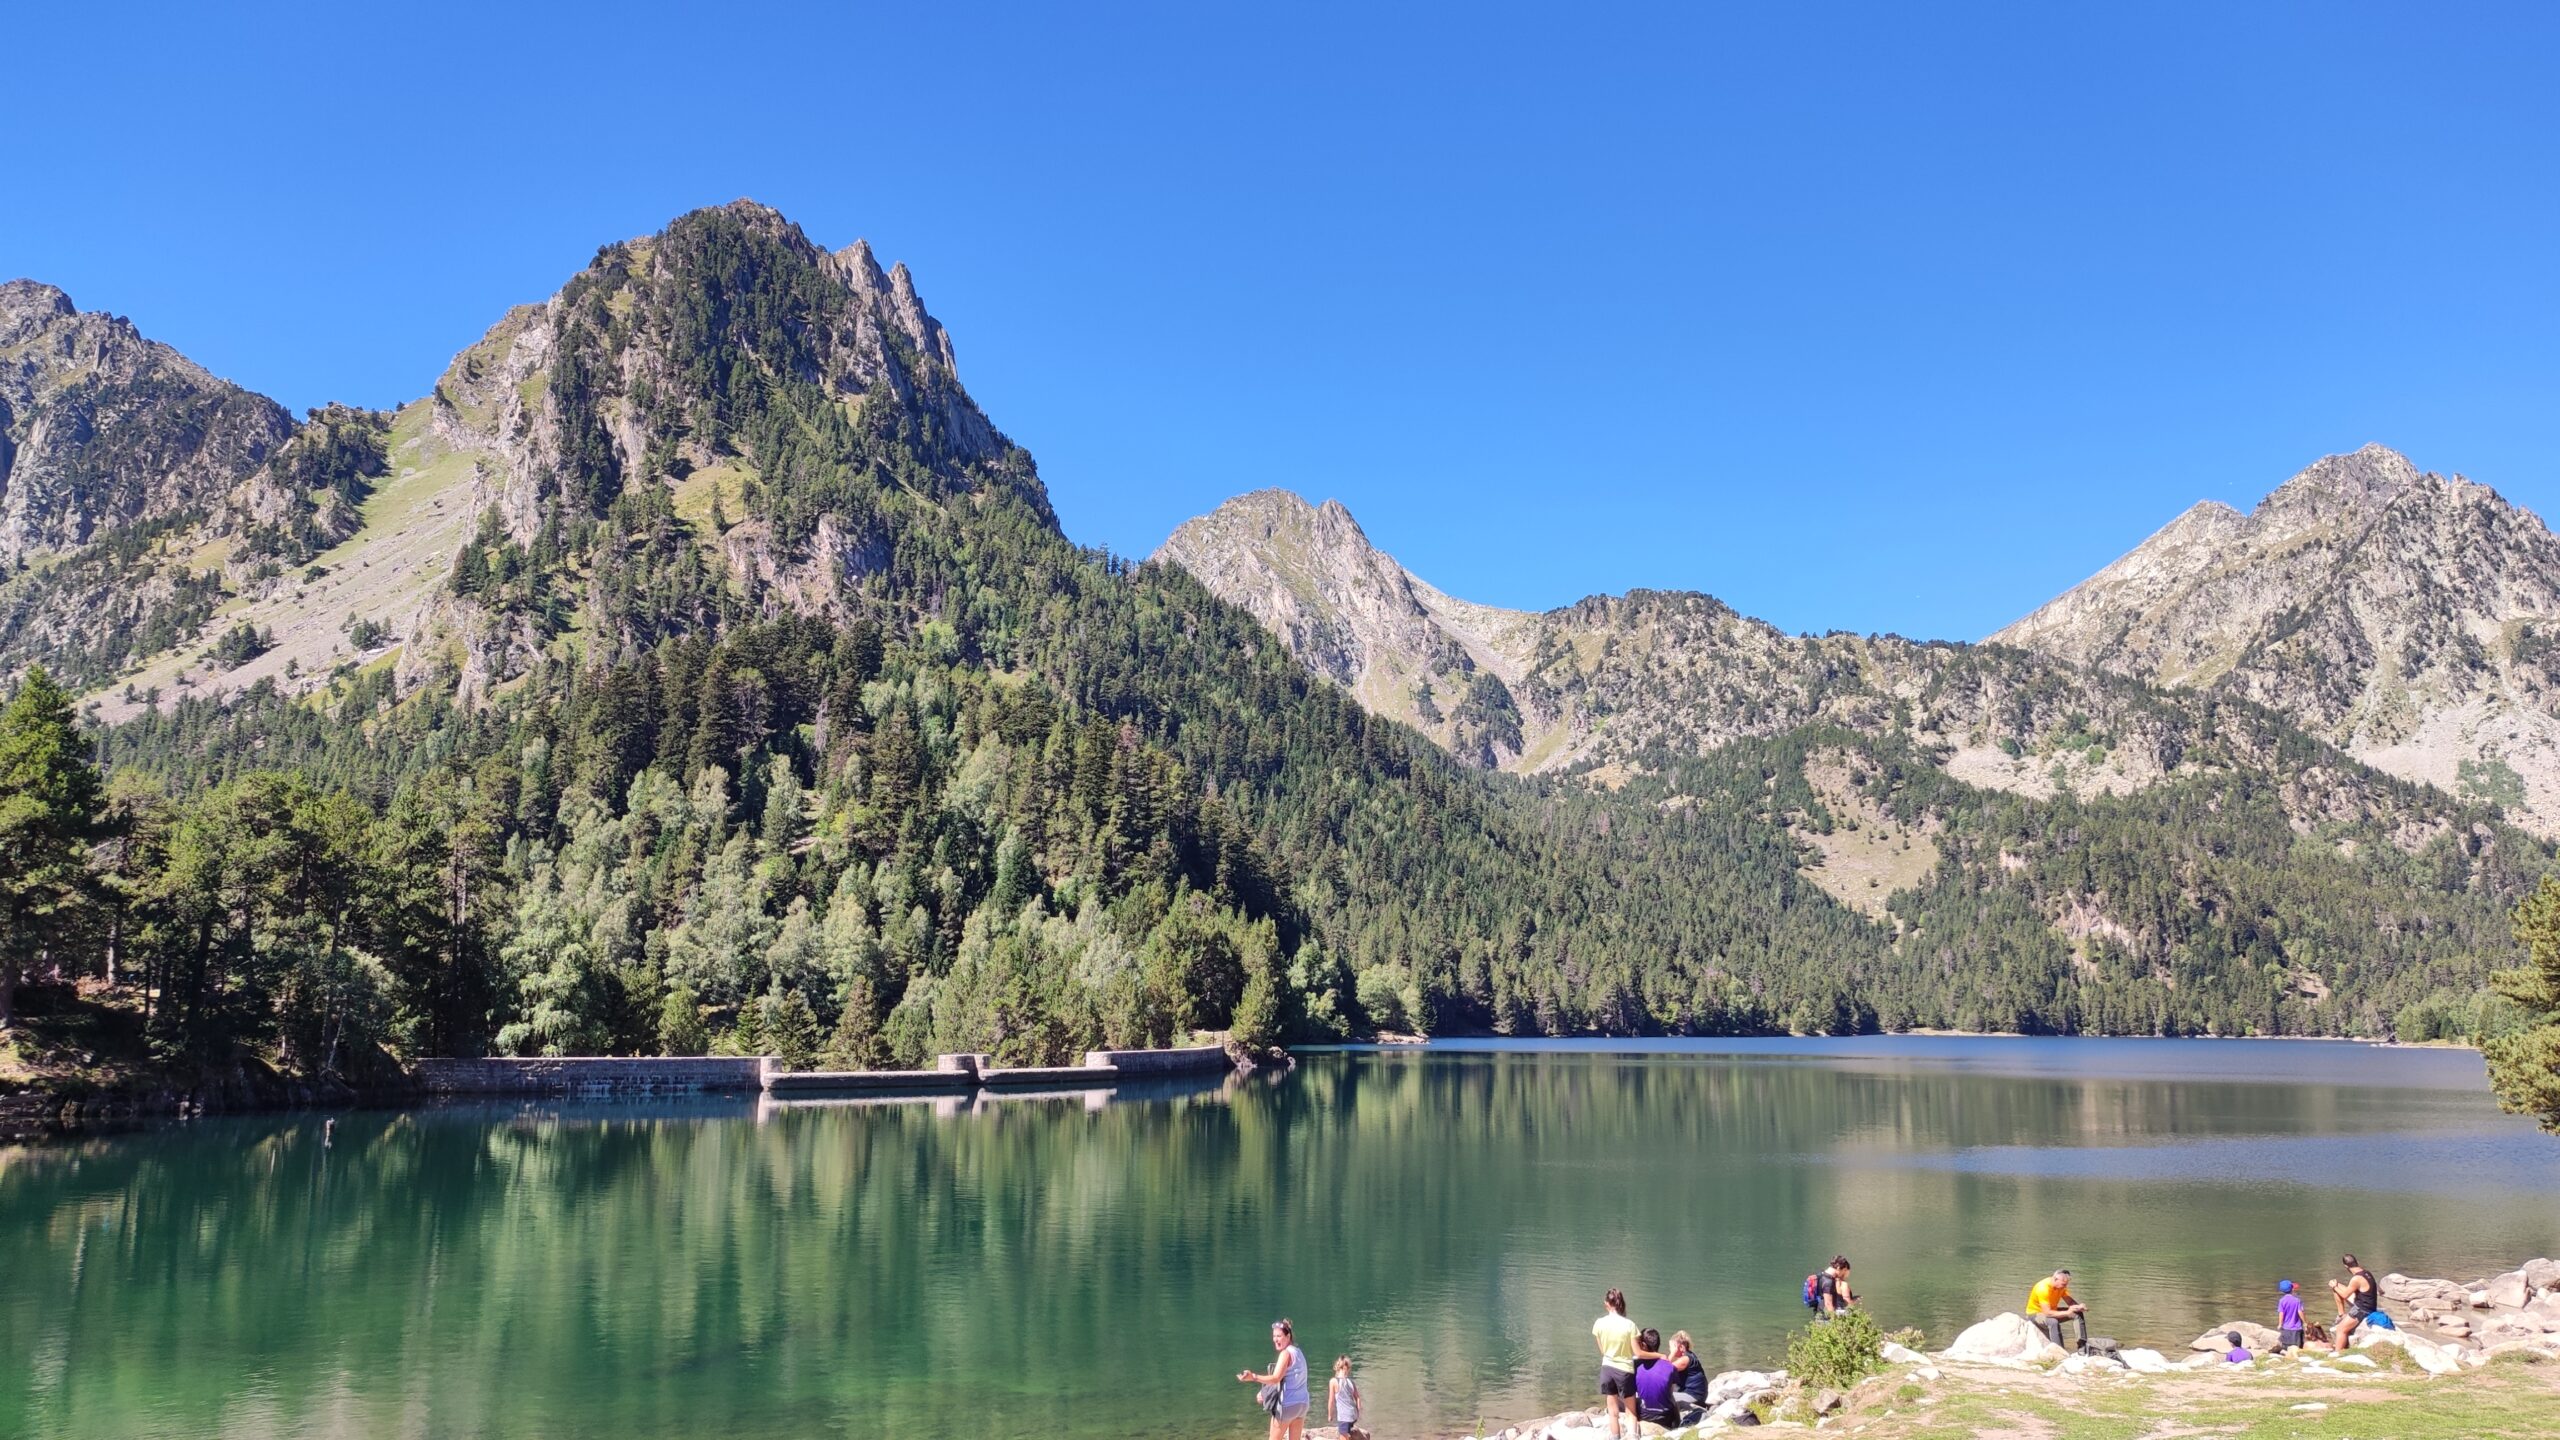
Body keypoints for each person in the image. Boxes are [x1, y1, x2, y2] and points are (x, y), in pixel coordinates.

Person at [1239, 1318, 1310, 1440]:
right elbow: (1288, 1379)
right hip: (1302, 1404)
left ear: (1288, 1337)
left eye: (1279, 1336)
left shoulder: (1285, 1354)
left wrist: (1253, 1377)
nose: (1275, 1339)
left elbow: (1276, 1378)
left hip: (1287, 1405)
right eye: (1274, 1336)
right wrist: (1264, 1392)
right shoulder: (1298, 1352)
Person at [1592, 1288, 1641, 1440]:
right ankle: (1633, 1437)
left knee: (1612, 1412)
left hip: (1607, 1369)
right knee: (1631, 1412)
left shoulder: (1599, 1323)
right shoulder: (1630, 1325)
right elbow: (1636, 1352)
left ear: (1606, 1304)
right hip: (1625, 1370)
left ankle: (1615, 1437)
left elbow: (1603, 1350)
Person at [2026, 1268, 2089, 1352]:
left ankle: (2082, 1347)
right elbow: (2047, 1313)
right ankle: (2060, 1351)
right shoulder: (2043, 1288)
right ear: (2055, 1279)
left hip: (2051, 1310)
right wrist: (2067, 1312)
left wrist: (2079, 1307)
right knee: (2053, 1322)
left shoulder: (2061, 1287)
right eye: (2063, 1284)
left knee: (2078, 1314)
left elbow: (2069, 1301)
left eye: (2066, 1284)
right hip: (2035, 1314)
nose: (2065, 1287)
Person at [1631, 1328, 1681, 1429]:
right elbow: (1669, 1392)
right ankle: (1677, 1427)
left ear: (1643, 1345)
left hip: (1644, 1415)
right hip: (1666, 1417)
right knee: (1672, 1399)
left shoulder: (1634, 1366)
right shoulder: (1670, 1367)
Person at [2330, 1254, 2379, 1353]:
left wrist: (2334, 1286)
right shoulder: (2366, 1272)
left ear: (2346, 1266)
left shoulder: (2356, 1279)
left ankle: (2337, 1353)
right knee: (2338, 1285)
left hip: (2363, 1309)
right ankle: (2341, 1315)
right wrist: (2336, 1286)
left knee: (2341, 1329)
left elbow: (2345, 1295)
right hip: (2367, 1303)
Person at [1327, 1355, 1366, 1440]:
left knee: (1343, 1436)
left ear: (1337, 1367)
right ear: (1348, 1369)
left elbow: (1331, 1401)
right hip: (1353, 1414)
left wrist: (1330, 1415)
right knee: (1347, 1431)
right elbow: (1358, 1398)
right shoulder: (1351, 1381)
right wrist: (1359, 1411)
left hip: (1344, 1416)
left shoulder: (1333, 1381)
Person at [1668, 1331, 1707, 1412]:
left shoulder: (1685, 1359)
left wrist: (1672, 1353)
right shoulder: (1690, 1355)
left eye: (1673, 1346)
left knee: (1660, 1397)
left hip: (1693, 1396)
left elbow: (1662, 1370)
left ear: (1681, 1347)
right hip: (1697, 1394)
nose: (1670, 1349)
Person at [2276, 1280, 2305, 1353]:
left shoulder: (2282, 1301)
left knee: (2286, 1347)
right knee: (2297, 1347)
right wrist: (2305, 1322)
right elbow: (2300, 1312)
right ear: (2292, 1288)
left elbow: (2281, 1313)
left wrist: (2280, 1324)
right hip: (2297, 1328)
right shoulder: (2297, 1300)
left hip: (2286, 1328)